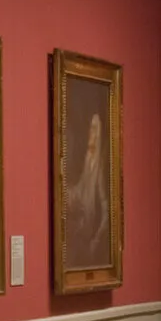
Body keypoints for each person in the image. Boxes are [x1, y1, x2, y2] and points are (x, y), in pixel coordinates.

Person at [62, 110, 110, 267]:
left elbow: (106, 212)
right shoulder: (86, 162)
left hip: (90, 235)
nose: (91, 135)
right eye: (90, 130)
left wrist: (96, 240)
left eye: (95, 130)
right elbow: (78, 192)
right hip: (82, 229)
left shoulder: (100, 168)